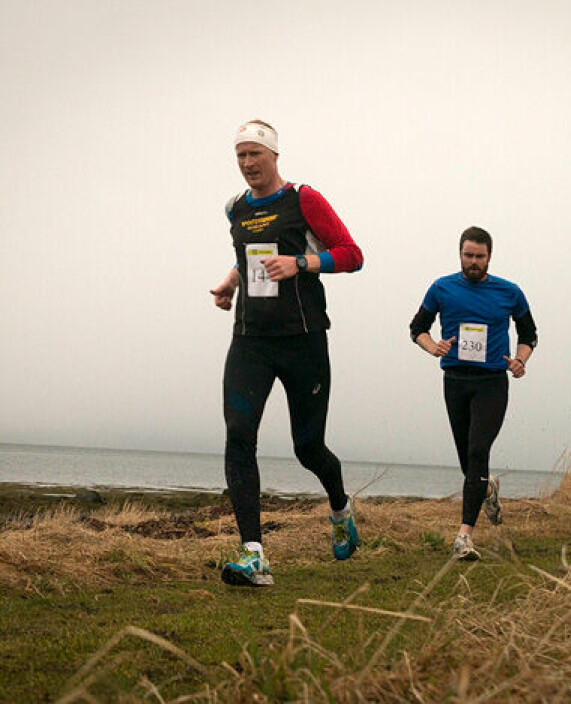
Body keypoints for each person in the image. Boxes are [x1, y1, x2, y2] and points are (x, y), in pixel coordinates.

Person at [210, 120, 363, 586]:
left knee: (308, 448)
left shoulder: (303, 199)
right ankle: (254, 555)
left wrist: (301, 263)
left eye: (255, 153)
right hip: (250, 341)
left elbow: (352, 254)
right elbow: (248, 255)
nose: (247, 163)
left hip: (303, 339)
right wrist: (231, 283)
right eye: (240, 155)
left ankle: (341, 509)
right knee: (239, 435)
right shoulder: (236, 208)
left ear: (274, 155)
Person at [409, 226, 537, 560]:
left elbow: (529, 334)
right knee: (468, 461)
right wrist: (433, 347)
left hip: (492, 382)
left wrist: (520, 361)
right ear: (460, 254)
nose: (474, 262)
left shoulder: (510, 292)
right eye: (468, 255)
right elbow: (417, 328)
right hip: (455, 380)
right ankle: (487, 487)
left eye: (480, 256)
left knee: (478, 450)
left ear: (489, 256)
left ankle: (464, 535)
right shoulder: (442, 288)